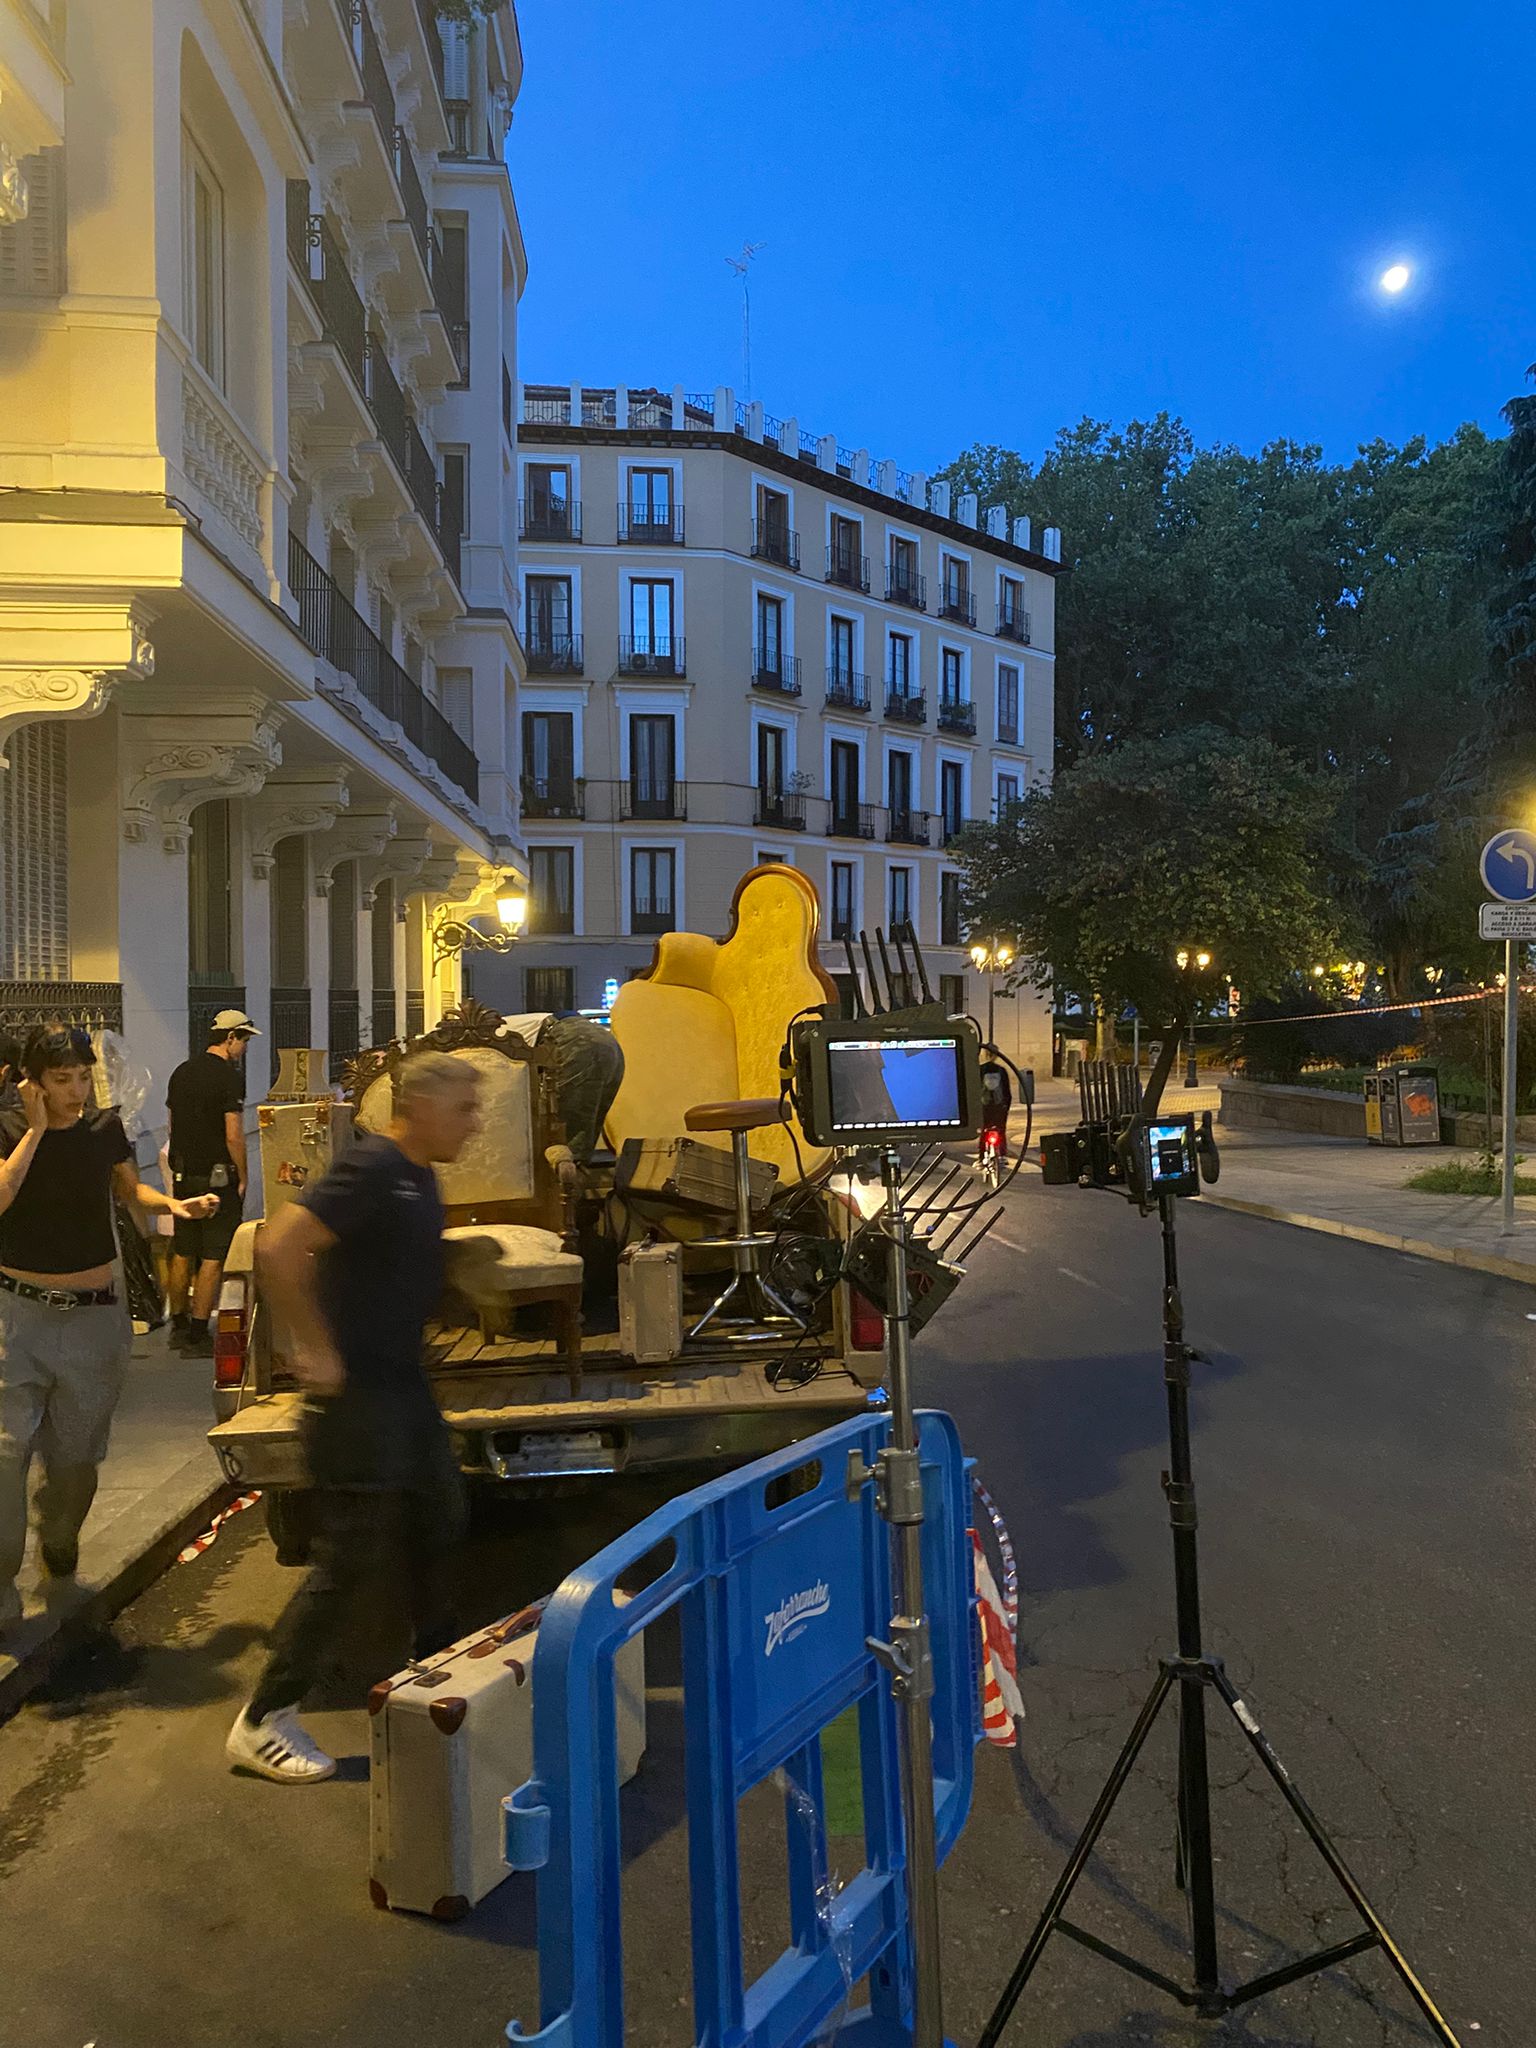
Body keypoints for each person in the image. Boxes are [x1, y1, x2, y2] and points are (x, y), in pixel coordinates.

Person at [226, 1051, 482, 1784]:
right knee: (350, 1563)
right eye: (464, 1108)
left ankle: (431, 1685)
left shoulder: (419, 1174)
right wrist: (313, 1345)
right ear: (420, 1108)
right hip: (358, 1402)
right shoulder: (372, 1166)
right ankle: (263, 1721)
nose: (474, 1123)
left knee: (439, 1521)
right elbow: (280, 1245)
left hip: (402, 1389)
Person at [0, 1027, 219, 1633]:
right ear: (33, 1082)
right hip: (16, 1317)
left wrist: (173, 1206)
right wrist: (36, 1130)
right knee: (4, 1456)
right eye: (61, 1080)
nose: (76, 1091)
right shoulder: (9, 1129)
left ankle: (59, 1537)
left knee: (75, 1461)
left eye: (81, 1077)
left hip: (94, 1320)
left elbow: (130, 1190)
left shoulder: (104, 1129)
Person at [165, 1009, 256, 1356]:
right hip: (218, 1178)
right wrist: (242, 1175)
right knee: (213, 1255)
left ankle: (178, 1324)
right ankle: (198, 1332)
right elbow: (233, 1135)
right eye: (244, 1041)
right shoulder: (229, 1078)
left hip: (184, 1174)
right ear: (230, 1038)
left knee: (183, 1250)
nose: (244, 1049)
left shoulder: (181, 1072)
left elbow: (172, 1123)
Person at [500, 1010, 624, 1166]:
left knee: (558, 1132)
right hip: (604, 1038)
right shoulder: (500, 1028)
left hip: (570, 1037)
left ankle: (562, 1176)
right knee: (584, 1126)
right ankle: (574, 1172)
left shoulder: (480, 1044)